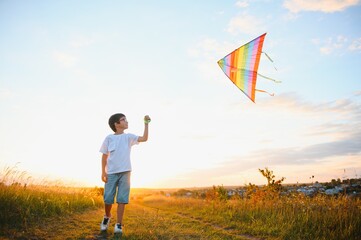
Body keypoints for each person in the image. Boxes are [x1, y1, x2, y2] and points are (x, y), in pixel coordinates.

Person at [99, 113, 151, 234]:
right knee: (108, 198)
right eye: (123, 120)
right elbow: (104, 156)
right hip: (111, 173)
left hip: (126, 173)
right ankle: (107, 217)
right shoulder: (109, 138)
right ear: (116, 124)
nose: (126, 121)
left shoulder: (128, 137)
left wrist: (146, 124)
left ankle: (119, 224)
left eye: (126, 119)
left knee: (122, 199)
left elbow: (144, 138)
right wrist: (103, 172)